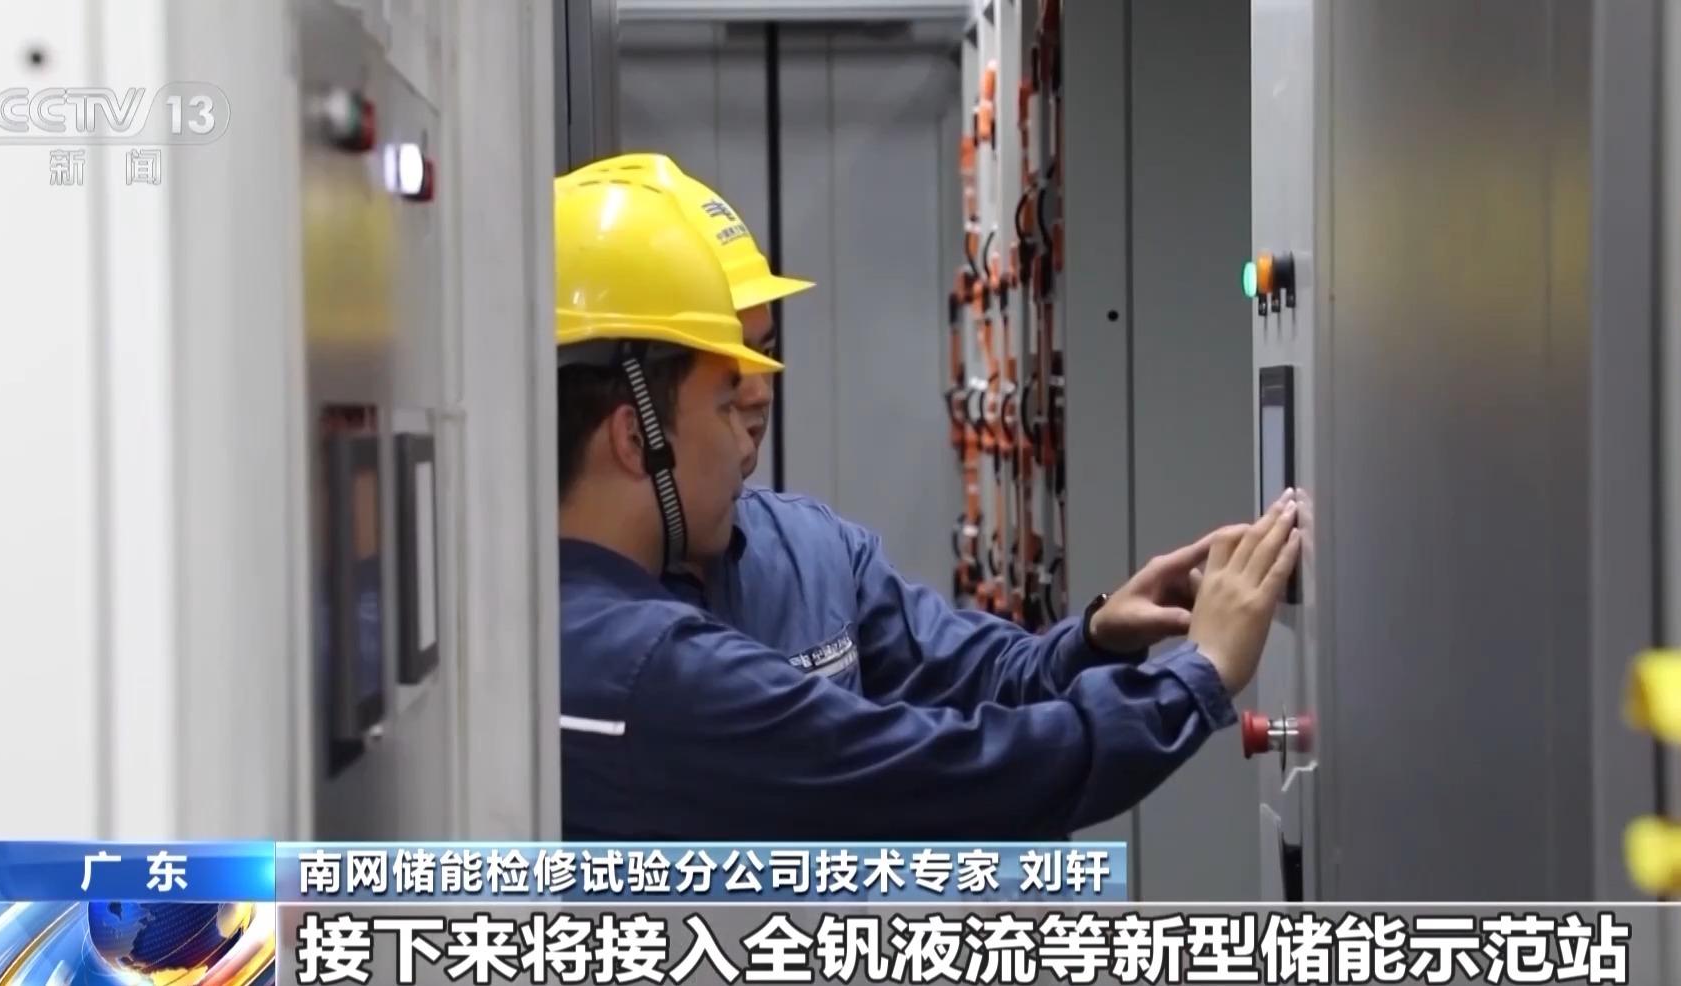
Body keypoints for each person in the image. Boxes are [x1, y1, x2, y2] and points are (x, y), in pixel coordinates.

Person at [553, 170, 1302, 839]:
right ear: (634, 433)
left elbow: (984, 680)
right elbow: (938, 775)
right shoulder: (628, 664)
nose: (758, 398)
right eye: (728, 383)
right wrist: (1195, 676)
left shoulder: (812, 551)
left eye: (765, 354)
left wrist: (1095, 638)